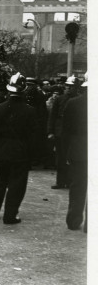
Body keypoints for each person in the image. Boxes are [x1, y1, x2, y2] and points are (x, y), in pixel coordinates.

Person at [0, 73, 37, 224]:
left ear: (9, 90)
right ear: (23, 90)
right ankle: (10, 215)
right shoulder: (30, 111)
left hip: (2, 150)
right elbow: (33, 136)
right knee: (17, 185)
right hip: (20, 152)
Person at [62, 72, 88, 232]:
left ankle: (73, 220)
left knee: (77, 186)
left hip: (77, 150)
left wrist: (65, 153)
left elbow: (66, 131)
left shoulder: (72, 103)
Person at [47, 75, 81, 189]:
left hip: (73, 134)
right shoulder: (59, 99)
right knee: (60, 158)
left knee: (72, 158)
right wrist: (50, 131)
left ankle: (71, 181)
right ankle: (60, 181)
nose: (68, 88)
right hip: (60, 132)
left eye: (71, 86)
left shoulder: (79, 100)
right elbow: (52, 116)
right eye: (67, 86)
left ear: (76, 88)